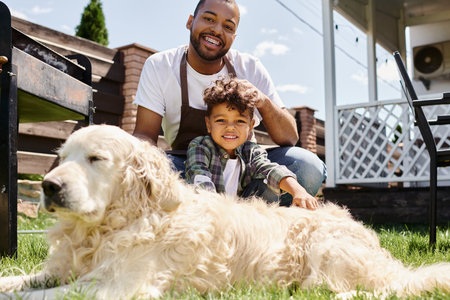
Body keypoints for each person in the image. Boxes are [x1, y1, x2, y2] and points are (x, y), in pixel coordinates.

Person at [132, 0, 326, 206]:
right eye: (209, 19)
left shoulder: (250, 67)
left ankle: (244, 222)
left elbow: (290, 137)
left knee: (307, 165)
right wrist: (143, 170)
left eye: (228, 26)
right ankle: (215, 215)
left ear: (234, 37)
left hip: (245, 172)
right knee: (150, 168)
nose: (216, 30)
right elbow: (144, 135)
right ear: (190, 22)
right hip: (188, 167)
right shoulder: (160, 66)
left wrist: (263, 101)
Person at [185, 78, 318, 210]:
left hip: (243, 210)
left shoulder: (250, 151)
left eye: (240, 121)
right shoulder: (201, 147)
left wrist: (298, 191)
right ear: (208, 124)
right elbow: (199, 177)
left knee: (269, 186)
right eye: (221, 120)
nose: (230, 127)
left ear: (251, 126)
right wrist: (215, 210)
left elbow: (270, 170)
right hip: (211, 209)